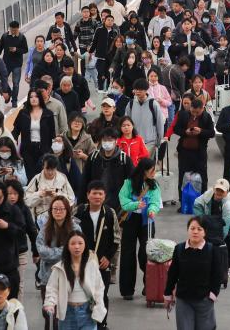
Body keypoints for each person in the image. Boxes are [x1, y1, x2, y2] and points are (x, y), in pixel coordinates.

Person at [165, 217, 225, 330]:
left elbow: (217, 275)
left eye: (199, 229)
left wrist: (213, 295)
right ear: (188, 230)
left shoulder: (212, 250)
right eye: (192, 228)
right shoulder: (179, 249)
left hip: (204, 300)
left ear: (205, 232)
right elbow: (172, 274)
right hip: (183, 300)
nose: (195, 232)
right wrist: (168, 294)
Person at [73, 181, 119, 324]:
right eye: (94, 193)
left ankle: (102, 323)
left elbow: (116, 238)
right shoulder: (79, 211)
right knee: (81, 292)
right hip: (81, 261)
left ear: (104, 196)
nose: (97, 196)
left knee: (102, 294)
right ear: (88, 195)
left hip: (101, 263)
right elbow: (71, 235)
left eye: (100, 194)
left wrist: (108, 258)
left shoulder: (110, 214)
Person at [117, 157, 162, 300]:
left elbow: (156, 201)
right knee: (127, 254)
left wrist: (152, 209)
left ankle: (149, 285)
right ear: (144, 171)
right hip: (130, 220)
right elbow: (123, 201)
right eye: (152, 170)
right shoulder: (128, 183)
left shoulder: (153, 185)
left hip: (146, 221)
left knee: (146, 253)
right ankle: (127, 290)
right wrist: (135, 205)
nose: (154, 173)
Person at [43, 232, 107, 330]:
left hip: (88, 313)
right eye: (73, 243)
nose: (77, 247)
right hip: (67, 314)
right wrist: (50, 304)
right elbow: (52, 288)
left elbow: (99, 288)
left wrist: (99, 307)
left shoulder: (92, 265)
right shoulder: (60, 268)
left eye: (80, 243)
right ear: (67, 247)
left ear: (85, 245)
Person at [36, 196, 80, 310]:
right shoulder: (45, 229)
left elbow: (76, 251)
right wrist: (65, 250)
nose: (58, 212)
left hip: (69, 275)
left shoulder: (75, 228)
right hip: (47, 275)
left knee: (66, 312)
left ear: (67, 210)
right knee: (48, 312)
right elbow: (42, 252)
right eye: (55, 209)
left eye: (61, 209)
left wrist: (54, 252)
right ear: (51, 211)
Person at [172, 96, 215, 198]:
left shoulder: (206, 117)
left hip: (199, 153)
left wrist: (201, 131)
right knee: (182, 176)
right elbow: (176, 129)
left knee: (202, 177)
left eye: (197, 112)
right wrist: (185, 132)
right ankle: (183, 200)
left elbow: (212, 133)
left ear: (202, 109)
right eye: (193, 111)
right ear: (190, 108)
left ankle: (202, 199)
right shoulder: (183, 115)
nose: (195, 114)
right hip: (184, 152)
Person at [84, 128, 132, 211]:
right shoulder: (94, 157)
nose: (107, 142)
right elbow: (85, 179)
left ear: (116, 141)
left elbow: (131, 180)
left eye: (110, 140)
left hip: (117, 202)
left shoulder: (124, 159)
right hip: (95, 199)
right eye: (104, 140)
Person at [0, 21, 29, 107]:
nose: (13, 31)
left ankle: (14, 101)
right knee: (2, 80)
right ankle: (9, 92)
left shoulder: (21, 37)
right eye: (12, 30)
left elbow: (25, 50)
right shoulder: (5, 36)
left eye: (15, 30)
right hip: (6, 63)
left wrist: (16, 50)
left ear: (18, 28)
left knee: (16, 83)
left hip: (17, 64)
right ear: (9, 28)